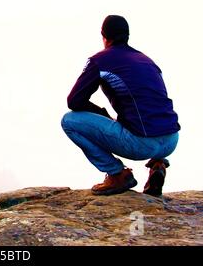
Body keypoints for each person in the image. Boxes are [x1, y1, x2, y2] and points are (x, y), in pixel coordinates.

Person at [61, 15, 180, 196]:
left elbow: (74, 101)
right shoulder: (147, 60)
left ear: (104, 37)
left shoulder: (100, 61)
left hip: (142, 144)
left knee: (69, 121)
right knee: (144, 116)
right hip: (171, 140)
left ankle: (117, 174)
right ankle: (158, 164)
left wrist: (102, 114)